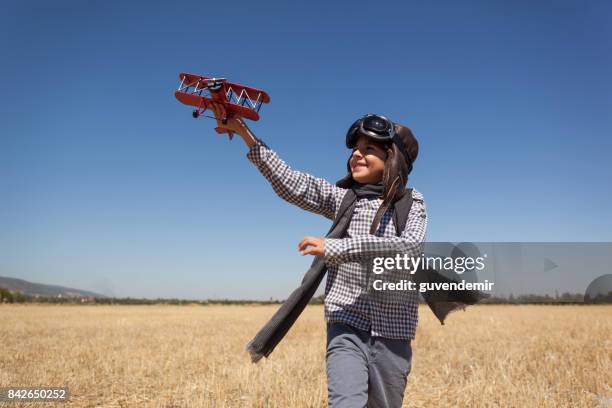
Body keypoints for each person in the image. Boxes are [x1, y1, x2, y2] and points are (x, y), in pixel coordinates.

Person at [210, 106, 427, 408]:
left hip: (394, 331)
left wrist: (337, 248)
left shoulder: (411, 203)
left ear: (393, 159)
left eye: (369, 149)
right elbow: (294, 184)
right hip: (345, 323)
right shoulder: (344, 199)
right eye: (355, 148)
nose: (357, 154)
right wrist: (244, 133)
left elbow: (410, 248)